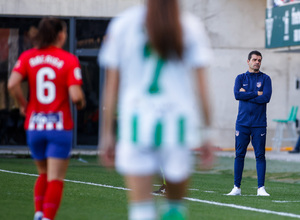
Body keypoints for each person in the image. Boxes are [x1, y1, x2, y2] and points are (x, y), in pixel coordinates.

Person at [98, 0, 214, 219]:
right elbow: (202, 89)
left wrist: (107, 134)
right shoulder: (190, 26)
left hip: (136, 124)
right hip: (176, 125)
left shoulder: (122, 25)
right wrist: (207, 133)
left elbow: (111, 88)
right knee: (175, 207)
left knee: (141, 210)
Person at [7, 18, 85, 220]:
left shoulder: (28, 57)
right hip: (58, 126)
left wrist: (24, 105)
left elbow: (12, 84)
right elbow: (76, 95)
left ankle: (39, 213)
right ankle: (48, 217)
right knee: (56, 178)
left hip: (34, 125)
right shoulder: (68, 59)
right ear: (60, 35)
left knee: (43, 174)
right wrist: (81, 103)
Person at [227, 50, 272, 196]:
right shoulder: (240, 78)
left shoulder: (266, 79)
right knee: (239, 155)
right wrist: (255, 93)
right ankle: (236, 188)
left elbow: (265, 98)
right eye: (254, 59)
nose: (257, 62)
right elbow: (236, 95)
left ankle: (261, 188)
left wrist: (246, 94)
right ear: (248, 61)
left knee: (260, 156)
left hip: (259, 124)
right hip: (242, 123)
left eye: (259, 60)